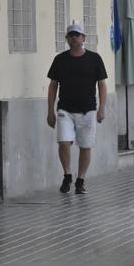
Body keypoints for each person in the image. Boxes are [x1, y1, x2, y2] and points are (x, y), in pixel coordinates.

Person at [47, 23, 108, 195]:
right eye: (71, 35)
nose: (74, 38)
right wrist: (50, 111)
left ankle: (80, 180)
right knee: (63, 142)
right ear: (67, 39)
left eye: (77, 35)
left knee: (85, 145)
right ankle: (67, 175)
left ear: (83, 38)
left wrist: (102, 108)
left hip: (88, 109)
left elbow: (102, 85)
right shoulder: (60, 60)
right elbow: (52, 86)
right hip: (65, 108)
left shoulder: (94, 59)